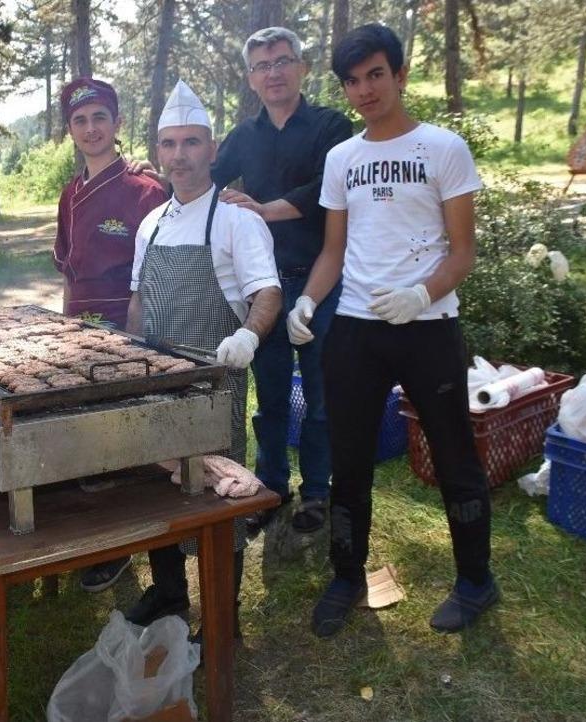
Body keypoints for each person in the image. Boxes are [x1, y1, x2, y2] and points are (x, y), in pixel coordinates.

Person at [287, 24, 498, 637]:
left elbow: (462, 253)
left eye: (376, 74)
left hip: (428, 327)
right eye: (352, 80)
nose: (364, 89)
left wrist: (421, 293)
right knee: (348, 462)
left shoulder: (443, 148)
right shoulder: (342, 158)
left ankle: (476, 580)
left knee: (454, 455)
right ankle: (347, 576)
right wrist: (307, 301)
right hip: (354, 329)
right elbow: (333, 250)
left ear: (401, 74)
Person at [123, 81, 282, 643]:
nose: (179, 155)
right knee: (159, 488)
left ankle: (223, 616)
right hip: (158, 381)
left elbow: (268, 291)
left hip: (217, 384)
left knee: (222, 494)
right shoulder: (151, 223)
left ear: (213, 150)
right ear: (159, 151)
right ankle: (170, 596)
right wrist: (130, 351)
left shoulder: (239, 220)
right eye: (169, 144)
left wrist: (248, 335)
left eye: (191, 143)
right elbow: (140, 297)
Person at [210, 27, 353, 536]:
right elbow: (207, 180)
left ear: (303, 68)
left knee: (320, 395)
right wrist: (156, 173)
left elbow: (330, 188)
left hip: (321, 281)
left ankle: (317, 491)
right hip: (264, 289)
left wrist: (265, 209)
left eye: (283, 61)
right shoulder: (243, 137)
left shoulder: (332, 127)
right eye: (263, 65)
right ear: (251, 78)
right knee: (268, 397)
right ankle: (270, 487)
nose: (273, 73)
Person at [54, 77, 169, 594]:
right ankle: (91, 536)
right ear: (70, 131)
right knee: (85, 438)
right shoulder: (69, 194)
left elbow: (155, 275)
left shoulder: (146, 190)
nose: (91, 128)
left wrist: (137, 339)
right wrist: (62, 326)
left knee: (125, 439)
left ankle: (123, 544)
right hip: (78, 324)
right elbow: (67, 271)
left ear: (117, 124)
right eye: (80, 121)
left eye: (100, 117)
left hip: (125, 326)